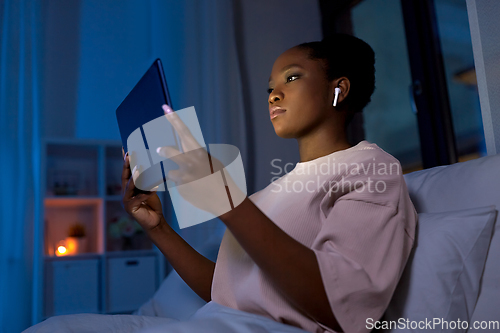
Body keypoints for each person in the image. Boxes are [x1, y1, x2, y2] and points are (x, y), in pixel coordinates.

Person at [24, 34, 417, 333]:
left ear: (338, 89)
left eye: (292, 77)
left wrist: (227, 199)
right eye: (269, 88)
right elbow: (225, 289)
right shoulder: (273, 192)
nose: (273, 94)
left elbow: (344, 305)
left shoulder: (371, 167)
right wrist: (159, 229)